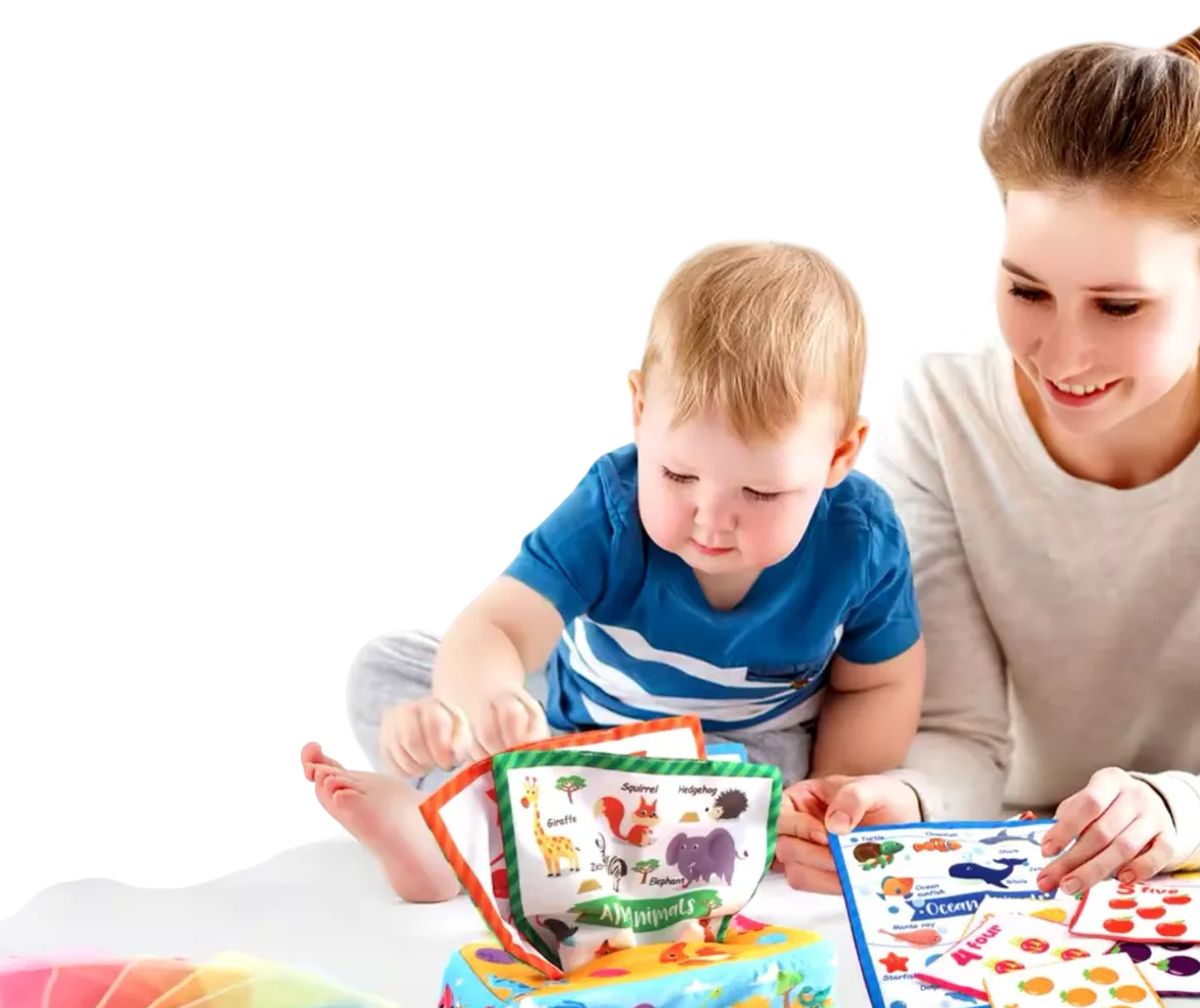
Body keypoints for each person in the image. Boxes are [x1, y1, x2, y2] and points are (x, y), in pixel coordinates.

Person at [302, 241, 925, 900]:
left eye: (762, 494)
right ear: (639, 412)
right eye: (679, 474)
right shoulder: (611, 507)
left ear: (840, 454)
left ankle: (482, 833)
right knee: (386, 667)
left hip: (732, 758)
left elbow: (879, 684)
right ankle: (447, 813)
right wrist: (480, 706)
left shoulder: (861, 538)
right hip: (575, 729)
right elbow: (500, 628)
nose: (711, 520)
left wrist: (835, 790)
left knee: (759, 781)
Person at [776, 28, 1200, 898]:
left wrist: (1173, 809)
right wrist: (904, 801)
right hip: (1029, 868)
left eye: (1119, 306)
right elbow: (961, 733)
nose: (1063, 356)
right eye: (1027, 291)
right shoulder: (944, 417)